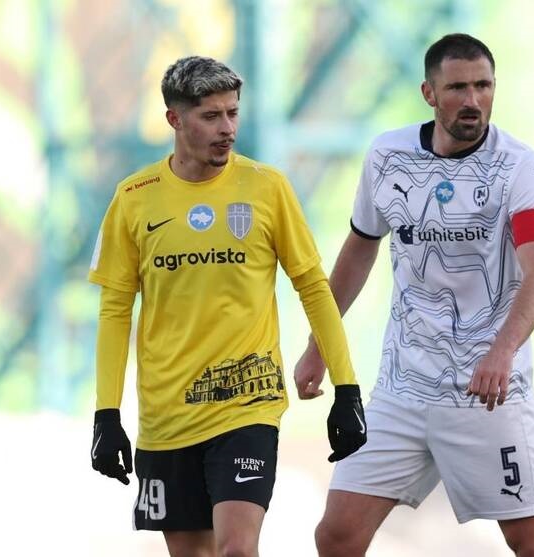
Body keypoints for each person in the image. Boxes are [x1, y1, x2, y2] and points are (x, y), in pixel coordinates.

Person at [294, 34, 534, 556]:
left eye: (483, 85)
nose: (473, 100)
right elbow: (359, 248)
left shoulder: (519, 167)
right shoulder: (387, 156)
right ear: (429, 93)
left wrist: (502, 352)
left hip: (486, 394)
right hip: (403, 389)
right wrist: (318, 345)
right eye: (458, 87)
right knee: (336, 534)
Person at [88, 56, 367, 557]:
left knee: (236, 548)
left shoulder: (266, 187)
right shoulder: (134, 198)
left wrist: (347, 388)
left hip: (247, 405)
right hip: (167, 416)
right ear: (175, 119)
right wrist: (106, 415)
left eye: (233, 113)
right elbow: (114, 312)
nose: (227, 129)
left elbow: (312, 286)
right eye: (211, 116)